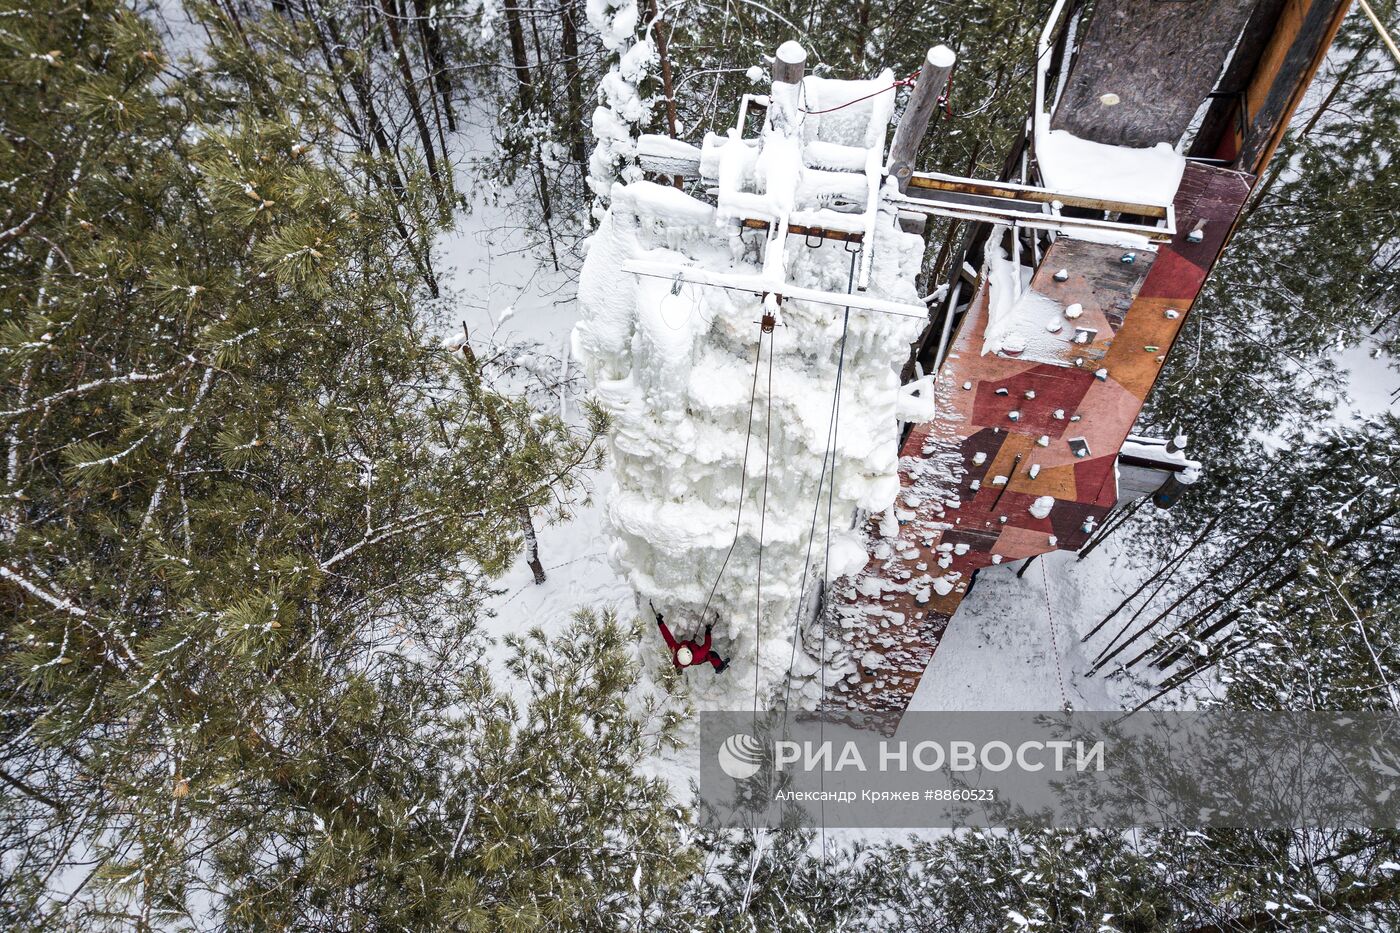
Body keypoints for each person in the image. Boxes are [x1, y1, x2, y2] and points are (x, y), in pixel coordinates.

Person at [652, 605, 728, 673]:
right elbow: (707, 645)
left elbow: (668, 637)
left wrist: (660, 622)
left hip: (691, 650)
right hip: (697, 659)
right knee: (712, 655)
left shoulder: (676, 650)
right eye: (684, 648)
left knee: (693, 647)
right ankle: (720, 667)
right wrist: (708, 632)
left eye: (682, 648)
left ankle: (719, 666)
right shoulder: (698, 655)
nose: (682, 646)